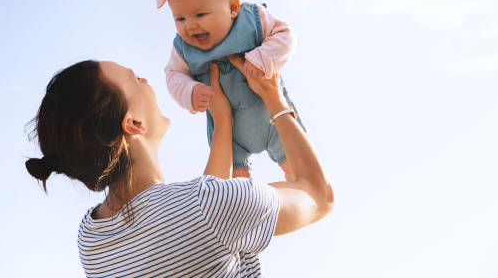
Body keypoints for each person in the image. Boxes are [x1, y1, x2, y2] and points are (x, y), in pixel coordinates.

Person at [25, 55, 334, 277]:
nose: (146, 81)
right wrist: (273, 98)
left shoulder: (92, 239)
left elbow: (198, 227)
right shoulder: (210, 207)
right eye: (135, 79)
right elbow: (319, 196)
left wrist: (223, 122)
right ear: (133, 123)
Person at [158, 0, 306, 182]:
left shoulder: (252, 19)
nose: (190, 26)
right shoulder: (182, 48)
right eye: (180, 19)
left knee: (299, 172)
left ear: (233, 8)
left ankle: (298, 192)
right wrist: (190, 91)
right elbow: (173, 75)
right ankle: (246, 205)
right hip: (231, 131)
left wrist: (263, 58)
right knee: (234, 188)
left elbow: (286, 36)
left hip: (271, 116)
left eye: (200, 15)